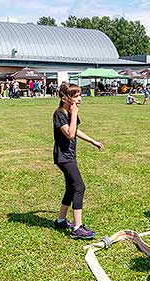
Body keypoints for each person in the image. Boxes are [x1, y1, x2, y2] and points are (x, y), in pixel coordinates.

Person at [53, 82, 104, 239]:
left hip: (69, 155)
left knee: (70, 187)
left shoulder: (69, 112)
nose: (80, 99)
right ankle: (77, 228)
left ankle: (61, 220)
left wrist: (92, 141)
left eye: (79, 95)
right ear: (64, 98)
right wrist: (74, 113)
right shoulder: (59, 114)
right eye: (76, 96)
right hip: (63, 157)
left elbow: (76, 130)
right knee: (79, 187)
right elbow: (70, 133)